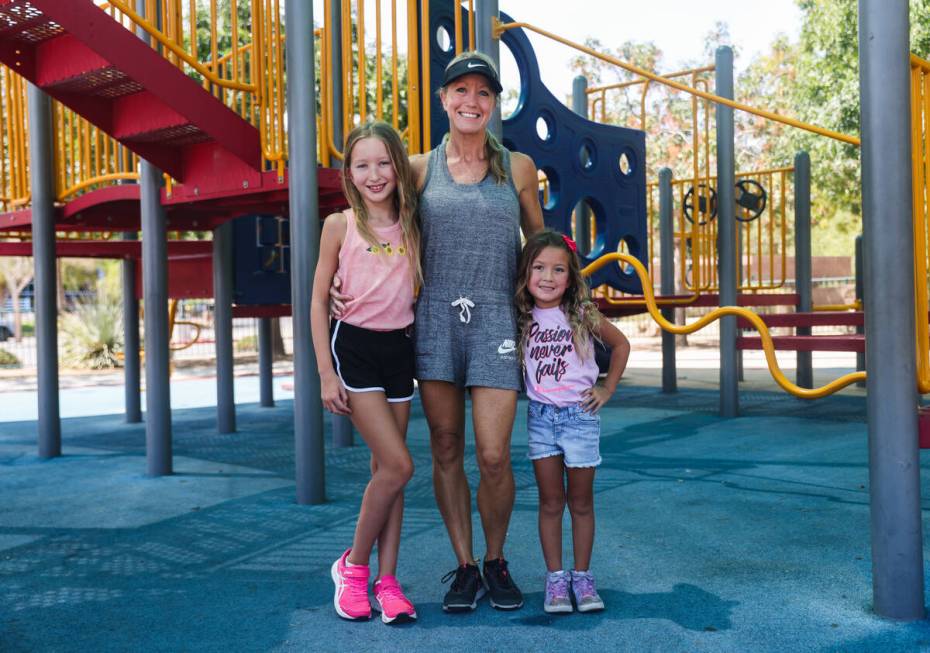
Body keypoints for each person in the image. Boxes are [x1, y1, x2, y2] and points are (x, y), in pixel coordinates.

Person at [332, 50, 544, 612]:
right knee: (446, 446)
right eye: (461, 92)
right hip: (434, 323)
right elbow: (376, 223)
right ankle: (466, 566)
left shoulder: (518, 168)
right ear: (444, 99)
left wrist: (563, 314)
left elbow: (542, 252)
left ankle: (497, 561)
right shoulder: (420, 171)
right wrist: (339, 281)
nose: (471, 102)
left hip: (497, 320)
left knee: (495, 455)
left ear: (494, 104)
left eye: (483, 93)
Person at [310, 121, 421, 624]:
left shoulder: (414, 221)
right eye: (362, 165)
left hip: (401, 350)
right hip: (354, 349)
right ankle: (353, 568)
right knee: (399, 466)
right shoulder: (340, 224)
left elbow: (430, 166)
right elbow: (316, 302)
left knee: (387, 474)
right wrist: (324, 374)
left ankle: (389, 580)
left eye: (384, 163)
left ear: (398, 167)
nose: (374, 174)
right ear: (348, 174)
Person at [515, 229, 630, 614]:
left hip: (580, 417)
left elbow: (620, 344)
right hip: (541, 418)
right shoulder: (521, 315)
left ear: (571, 276)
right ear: (526, 273)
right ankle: (555, 581)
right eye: (539, 268)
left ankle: (582, 577)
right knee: (550, 502)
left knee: (580, 503)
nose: (547, 278)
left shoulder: (581, 313)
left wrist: (607, 389)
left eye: (558, 269)